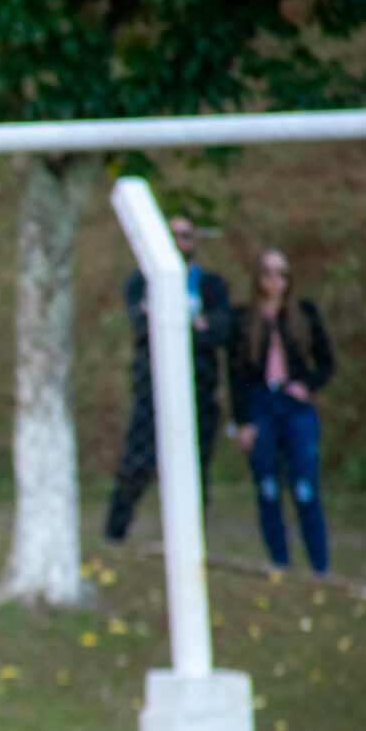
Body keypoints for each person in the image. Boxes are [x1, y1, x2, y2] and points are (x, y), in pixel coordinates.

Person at [103, 216, 232, 544]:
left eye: (186, 235)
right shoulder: (141, 282)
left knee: (195, 467)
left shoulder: (210, 285)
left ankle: (191, 540)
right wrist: (192, 326)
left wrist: (174, 325)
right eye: (171, 235)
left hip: (198, 387)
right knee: (137, 463)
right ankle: (114, 536)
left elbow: (221, 331)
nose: (179, 242)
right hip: (153, 386)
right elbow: (143, 327)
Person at [228, 247, 335, 573]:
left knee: (305, 486)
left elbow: (327, 361)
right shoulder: (244, 319)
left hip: (294, 405)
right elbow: (236, 376)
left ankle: (320, 567)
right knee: (268, 486)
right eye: (268, 273)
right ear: (257, 278)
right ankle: (280, 564)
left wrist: (308, 385)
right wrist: (243, 420)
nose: (276, 281)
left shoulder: (303, 313)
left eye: (282, 273)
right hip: (261, 403)